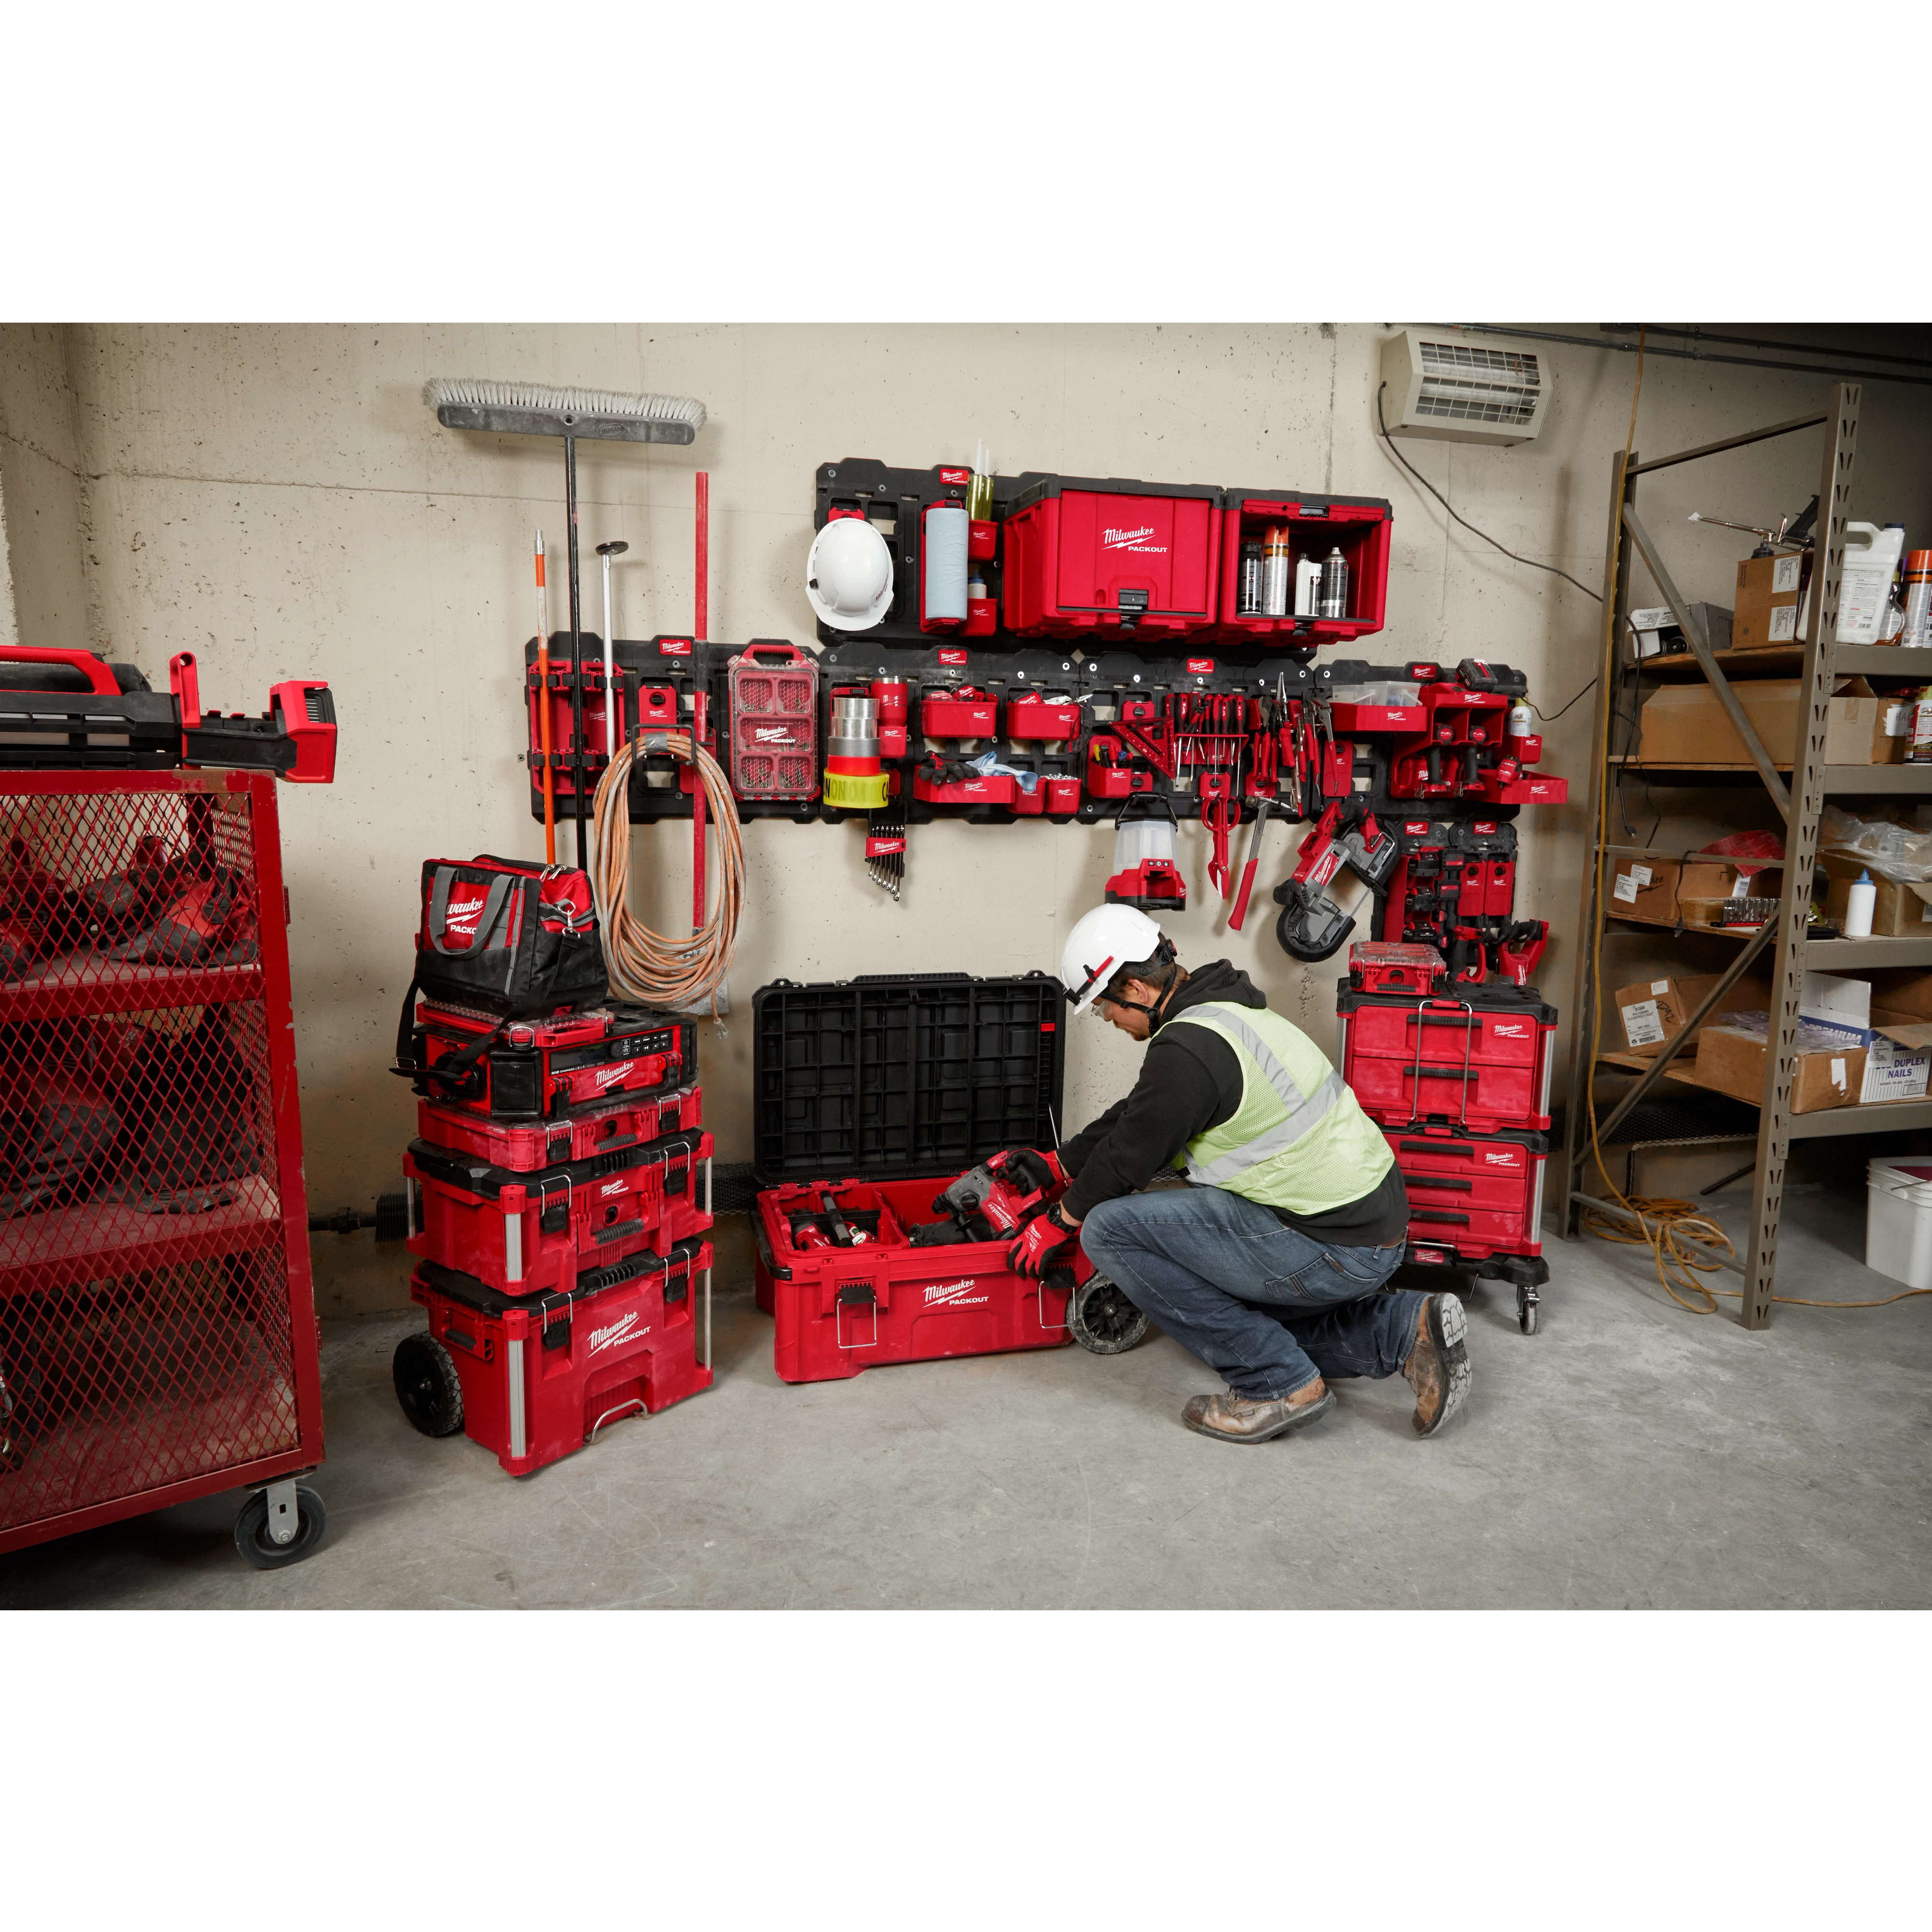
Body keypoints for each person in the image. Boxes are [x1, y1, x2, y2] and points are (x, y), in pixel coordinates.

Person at [1007, 904, 1469, 1445]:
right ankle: (1404, 1330)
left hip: (1331, 1247)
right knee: (1237, 1316)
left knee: (1108, 1230)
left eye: (1104, 1007)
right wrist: (1059, 1163)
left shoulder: (1186, 1051)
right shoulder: (1223, 1010)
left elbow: (1130, 1157)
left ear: (1132, 988)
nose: (1107, 1020)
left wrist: (1059, 1220)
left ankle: (1275, 1384)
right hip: (1372, 1230)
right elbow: (1144, 1113)